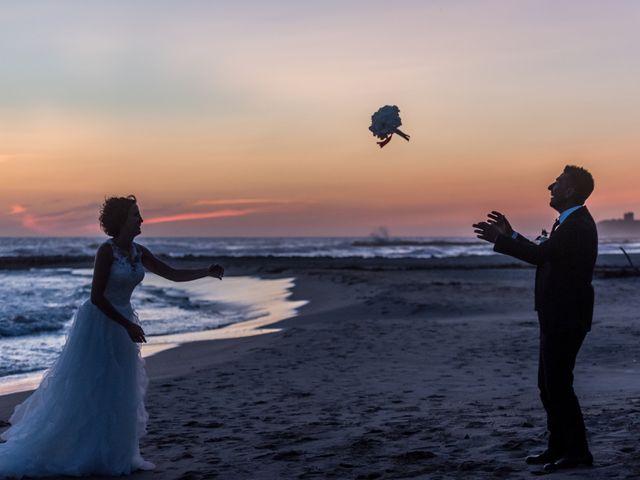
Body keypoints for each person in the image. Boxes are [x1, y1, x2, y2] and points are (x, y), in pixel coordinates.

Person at [0, 195, 225, 477]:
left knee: (118, 392)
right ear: (121, 220)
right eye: (135, 215)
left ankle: (112, 455)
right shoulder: (106, 252)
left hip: (123, 325)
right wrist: (126, 325)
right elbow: (96, 298)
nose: (141, 220)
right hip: (100, 324)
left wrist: (207, 271)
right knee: (91, 391)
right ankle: (79, 452)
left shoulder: (139, 251)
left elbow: (172, 273)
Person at [473, 165, 597, 472]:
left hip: (566, 316)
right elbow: (547, 253)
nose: (550, 186)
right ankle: (558, 447)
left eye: (558, 182)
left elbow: (540, 257)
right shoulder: (567, 224)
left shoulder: (577, 225)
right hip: (557, 314)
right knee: (548, 384)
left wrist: (498, 241)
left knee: (558, 385)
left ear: (570, 191)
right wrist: (511, 234)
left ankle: (578, 452)